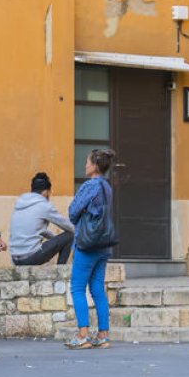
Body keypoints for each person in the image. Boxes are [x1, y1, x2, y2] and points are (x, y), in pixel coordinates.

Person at [65, 149, 117, 349]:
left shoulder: (89, 186)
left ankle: (83, 335)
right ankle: (103, 335)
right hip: (104, 244)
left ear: (95, 165)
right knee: (97, 289)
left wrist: (84, 211)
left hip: (87, 243)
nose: (84, 165)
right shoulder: (107, 187)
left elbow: (72, 211)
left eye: (87, 162)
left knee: (77, 288)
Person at [10, 172, 75, 265]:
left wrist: (55, 241)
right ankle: (60, 271)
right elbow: (69, 227)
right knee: (70, 235)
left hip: (15, 259)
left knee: (63, 238)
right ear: (46, 192)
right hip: (30, 258)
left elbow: (37, 231)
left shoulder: (20, 203)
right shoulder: (43, 205)